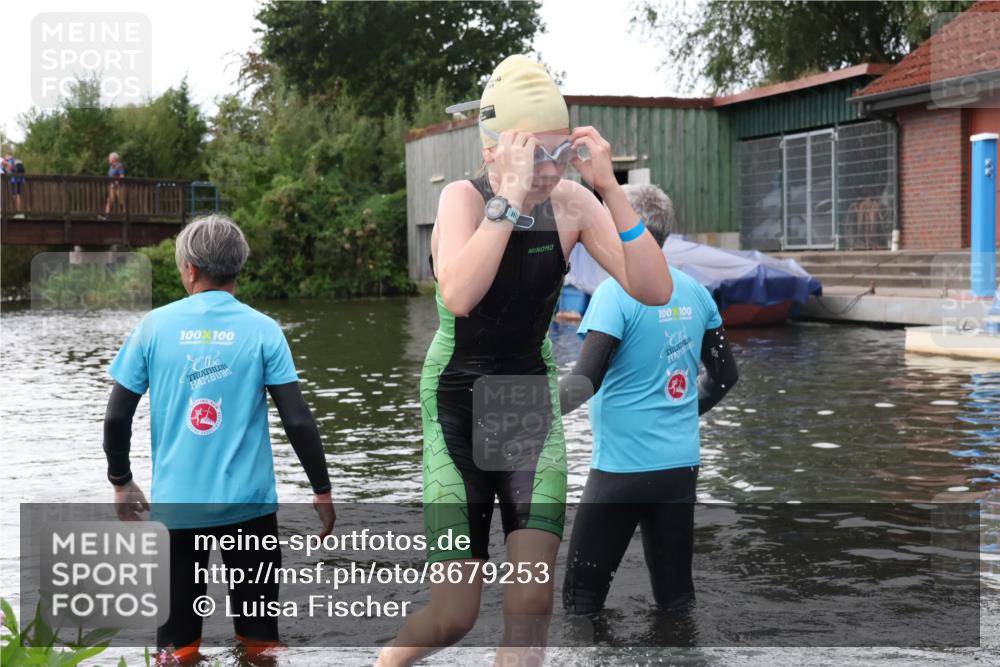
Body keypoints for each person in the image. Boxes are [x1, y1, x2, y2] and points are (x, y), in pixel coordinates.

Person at [377, 55, 672, 667]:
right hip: (457, 401)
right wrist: (507, 201)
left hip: (524, 404)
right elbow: (458, 294)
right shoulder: (462, 199)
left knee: (531, 600)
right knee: (457, 613)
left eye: (560, 153)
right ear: (492, 152)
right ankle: (387, 662)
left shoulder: (572, 205)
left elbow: (654, 289)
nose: (549, 170)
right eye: (532, 155)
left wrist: (609, 189)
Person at [103, 214, 336, 663]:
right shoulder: (263, 329)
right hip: (249, 508)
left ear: (190, 268)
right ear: (238, 267)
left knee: (176, 649)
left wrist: (121, 479)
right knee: (259, 641)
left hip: (177, 511)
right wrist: (321, 490)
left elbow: (117, 416)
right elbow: (299, 421)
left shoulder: (153, 327)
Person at [558, 183, 739, 616]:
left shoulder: (615, 293)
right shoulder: (695, 292)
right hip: (679, 467)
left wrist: (515, 414)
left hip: (621, 470)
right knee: (676, 599)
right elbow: (725, 376)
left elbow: (584, 382)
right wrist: (676, 413)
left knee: (580, 602)